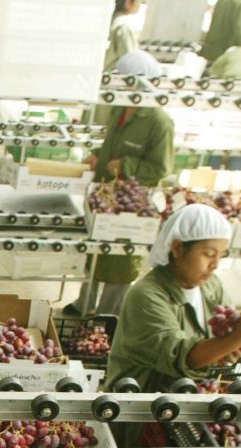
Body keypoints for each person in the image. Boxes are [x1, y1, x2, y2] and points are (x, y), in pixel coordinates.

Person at [106, 204, 241, 446]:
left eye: (221, 255)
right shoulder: (147, 295)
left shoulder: (209, 285)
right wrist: (236, 338)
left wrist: (236, 341)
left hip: (180, 403)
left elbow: (222, 336)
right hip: (140, 409)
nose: (215, 264)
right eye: (208, 254)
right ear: (177, 248)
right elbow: (186, 356)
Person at [67, 50, 173, 317]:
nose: (123, 88)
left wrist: (126, 165)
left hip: (130, 207)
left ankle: (106, 317)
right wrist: (98, 155)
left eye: (127, 83)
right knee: (95, 255)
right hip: (105, 197)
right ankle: (84, 306)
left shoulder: (159, 123)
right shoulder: (121, 108)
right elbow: (110, 144)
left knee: (120, 261)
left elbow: (160, 169)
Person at [105, 0, 142, 71]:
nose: (139, 4)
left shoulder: (109, 22)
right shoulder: (122, 26)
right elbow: (131, 60)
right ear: (128, 2)